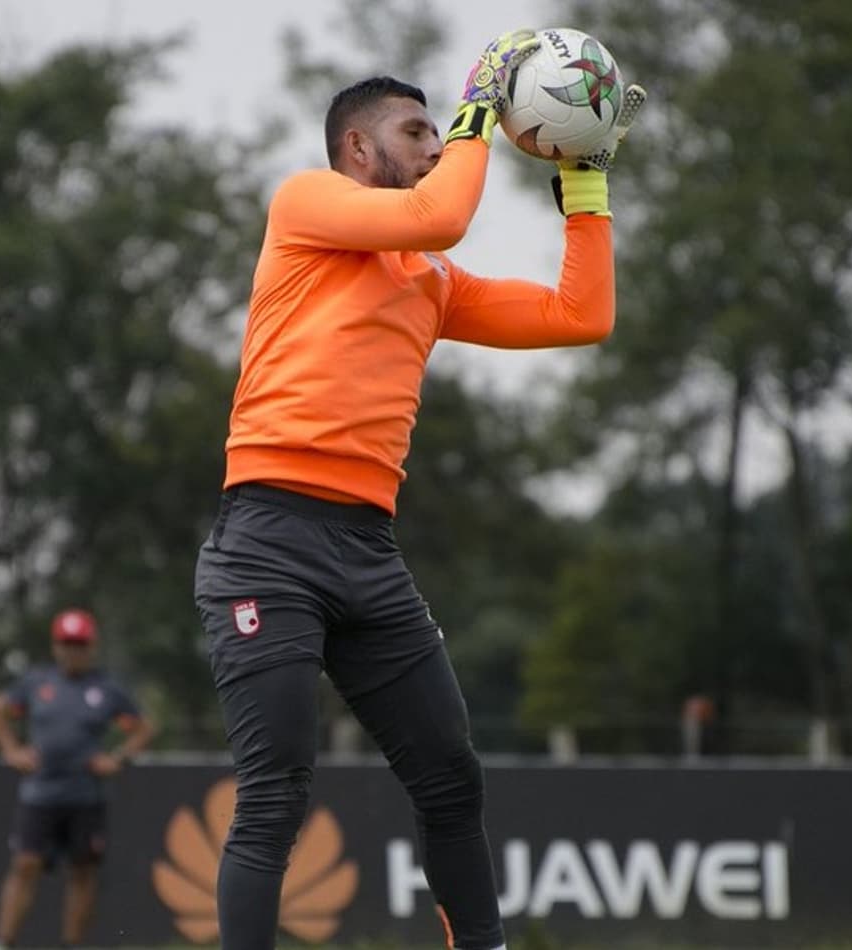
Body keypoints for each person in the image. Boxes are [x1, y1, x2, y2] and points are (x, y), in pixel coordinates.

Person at [194, 29, 646, 950]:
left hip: (367, 551)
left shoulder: (430, 279)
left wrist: (588, 186)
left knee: (452, 777)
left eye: (445, 130)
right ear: (358, 149)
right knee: (276, 791)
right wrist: (484, 101)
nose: (441, 145)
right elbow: (439, 215)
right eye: (418, 130)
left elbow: (581, 315)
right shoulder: (306, 202)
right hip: (268, 541)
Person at [0, 608, 154, 950]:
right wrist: (11, 749)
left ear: (92, 646)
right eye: (66, 644)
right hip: (39, 794)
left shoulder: (106, 690)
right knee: (26, 863)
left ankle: (72, 945)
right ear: (55, 646)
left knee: (82, 871)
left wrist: (117, 758)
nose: (72, 651)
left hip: (85, 796)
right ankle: (3, 942)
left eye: (79, 644)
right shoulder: (37, 683)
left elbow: (143, 726)